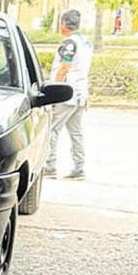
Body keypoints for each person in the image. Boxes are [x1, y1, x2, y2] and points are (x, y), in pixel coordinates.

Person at [43, 9, 93, 181]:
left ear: (64, 24)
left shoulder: (69, 43)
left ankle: (49, 166)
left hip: (67, 93)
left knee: (52, 129)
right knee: (76, 132)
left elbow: (65, 67)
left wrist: (54, 91)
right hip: (80, 94)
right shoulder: (85, 43)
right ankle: (79, 168)